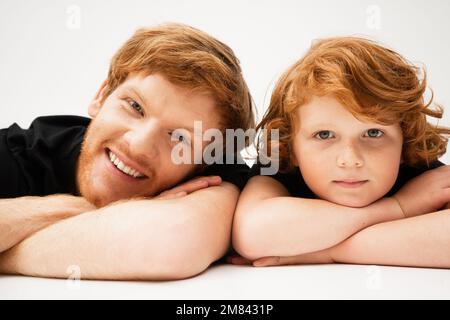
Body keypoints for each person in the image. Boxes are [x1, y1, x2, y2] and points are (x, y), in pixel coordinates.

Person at [0, 23, 255, 280]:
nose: (139, 145)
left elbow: (168, 243)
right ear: (102, 96)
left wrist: (7, 251)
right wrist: (75, 209)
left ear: (203, 163)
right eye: (135, 106)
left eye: (180, 137)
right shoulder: (18, 151)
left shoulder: (212, 178)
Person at [231, 37, 450, 269]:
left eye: (373, 133)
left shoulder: (421, 173)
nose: (350, 160)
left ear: (405, 143)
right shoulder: (283, 167)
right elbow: (252, 235)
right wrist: (398, 207)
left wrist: (327, 251)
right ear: (290, 147)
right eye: (324, 135)